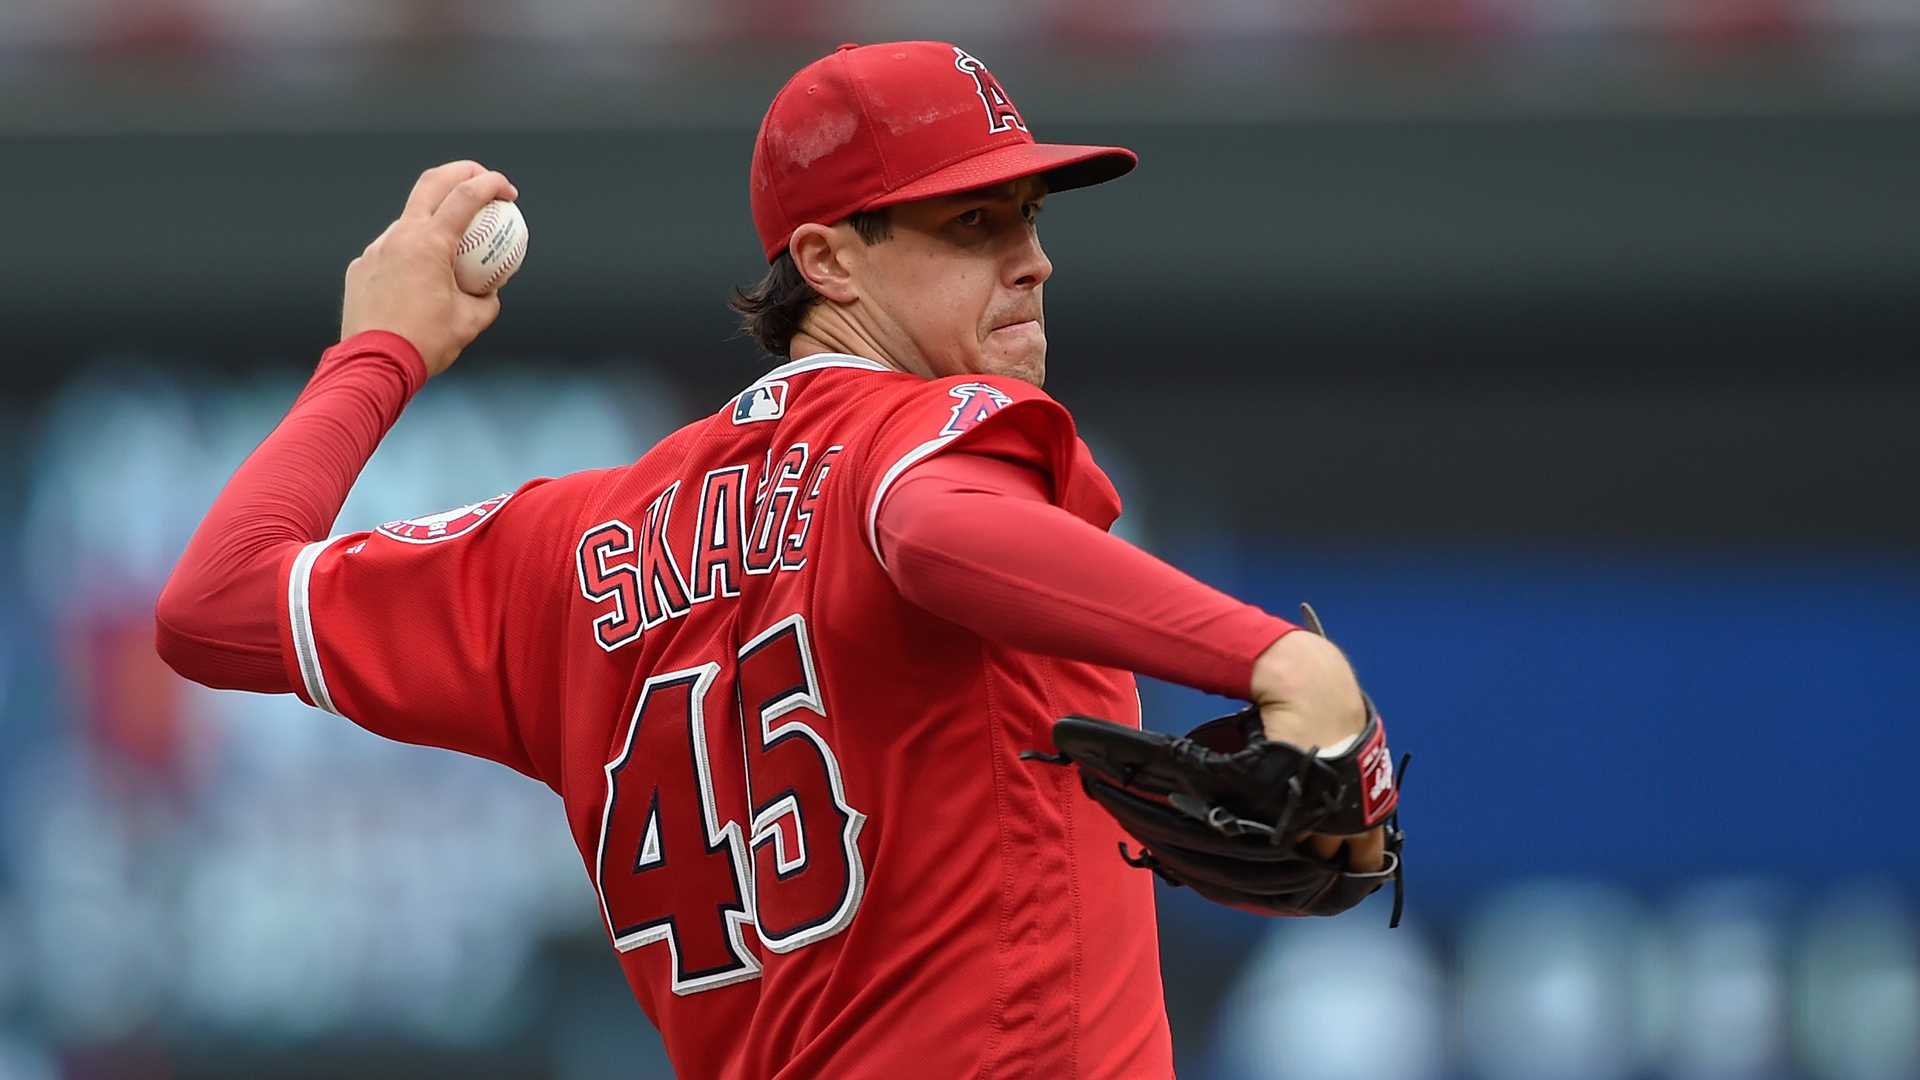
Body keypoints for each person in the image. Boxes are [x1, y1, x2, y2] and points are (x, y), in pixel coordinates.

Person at [157, 40, 1381, 1080]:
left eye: (1029, 216)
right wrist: (1269, 654)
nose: (1032, 258)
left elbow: (214, 606)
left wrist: (377, 354)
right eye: (971, 222)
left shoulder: (566, 544)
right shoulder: (918, 430)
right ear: (830, 261)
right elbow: (928, 524)